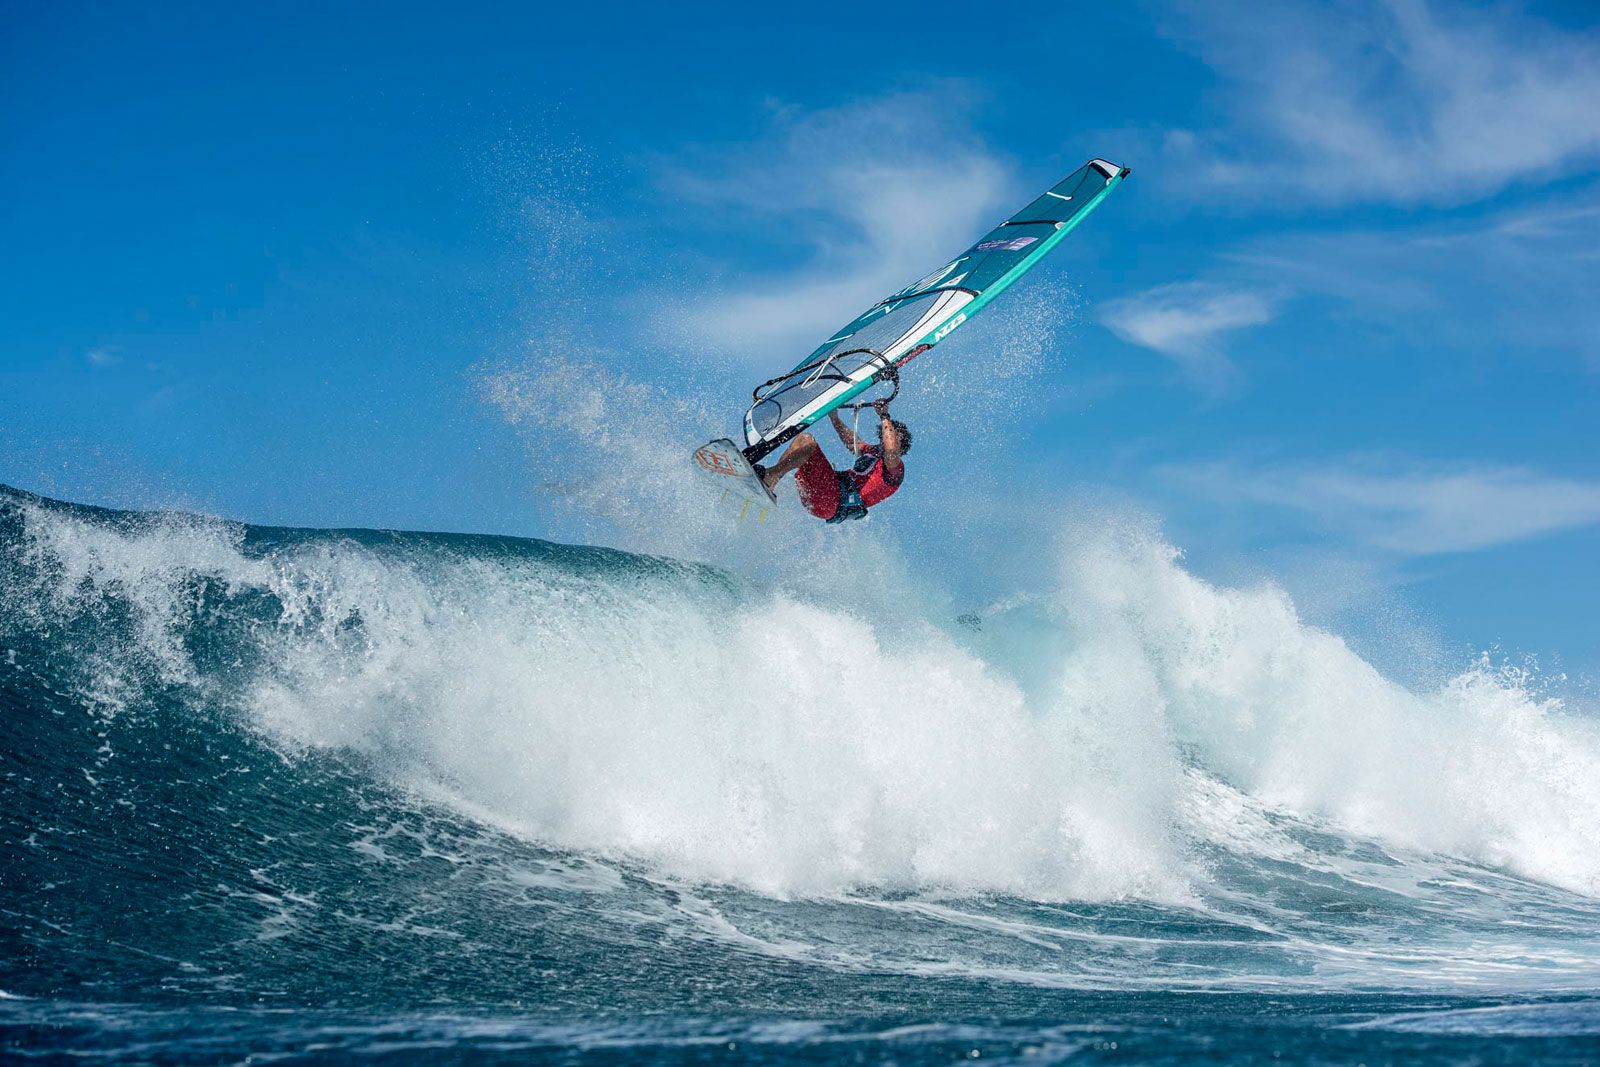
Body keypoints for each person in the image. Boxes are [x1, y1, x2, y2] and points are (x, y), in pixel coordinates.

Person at [756, 401, 911, 523]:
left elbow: (891, 450)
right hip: (822, 496)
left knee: (810, 446)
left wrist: (884, 416)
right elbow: (851, 441)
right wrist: (834, 417)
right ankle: (772, 481)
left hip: (833, 501)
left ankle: (769, 476)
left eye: (894, 437)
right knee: (803, 440)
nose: (888, 439)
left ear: (901, 446)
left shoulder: (895, 470)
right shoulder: (872, 452)